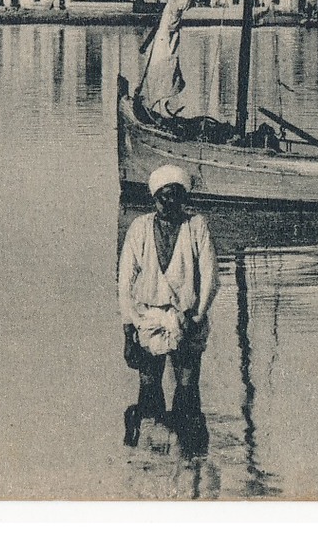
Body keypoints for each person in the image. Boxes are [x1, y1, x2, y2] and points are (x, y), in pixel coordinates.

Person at [118, 164, 218, 449]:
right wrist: (129, 331)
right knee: (149, 386)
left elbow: (210, 277)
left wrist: (196, 318)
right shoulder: (139, 228)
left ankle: (190, 455)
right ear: (155, 198)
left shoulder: (196, 226)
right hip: (148, 318)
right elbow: (125, 283)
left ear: (183, 198)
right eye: (163, 196)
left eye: (175, 196)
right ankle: (152, 457)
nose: (169, 203)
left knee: (187, 387)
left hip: (187, 319)